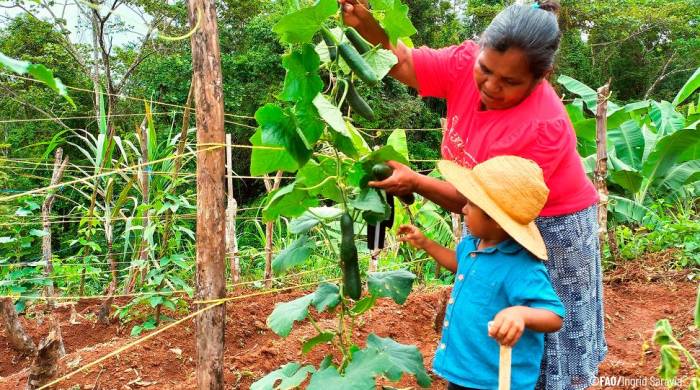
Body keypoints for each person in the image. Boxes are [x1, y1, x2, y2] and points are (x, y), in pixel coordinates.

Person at [339, 0, 606, 389]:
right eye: (486, 69)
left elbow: (487, 205)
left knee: (546, 345)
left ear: (541, 76)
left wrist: (416, 183)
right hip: (484, 207)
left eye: (510, 82)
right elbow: (403, 64)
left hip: (548, 223)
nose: (491, 85)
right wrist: (366, 24)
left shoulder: (542, 126)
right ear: (478, 51)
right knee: (486, 322)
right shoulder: (464, 61)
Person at [398, 156, 565, 390]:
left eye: (471, 204)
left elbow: (554, 315)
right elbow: (460, 265)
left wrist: (520, 313)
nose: (464, 208)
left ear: (495, 218)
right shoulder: (471, 244)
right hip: (463, 370)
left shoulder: (522, 266)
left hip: (496, 380)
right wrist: (426, 243)